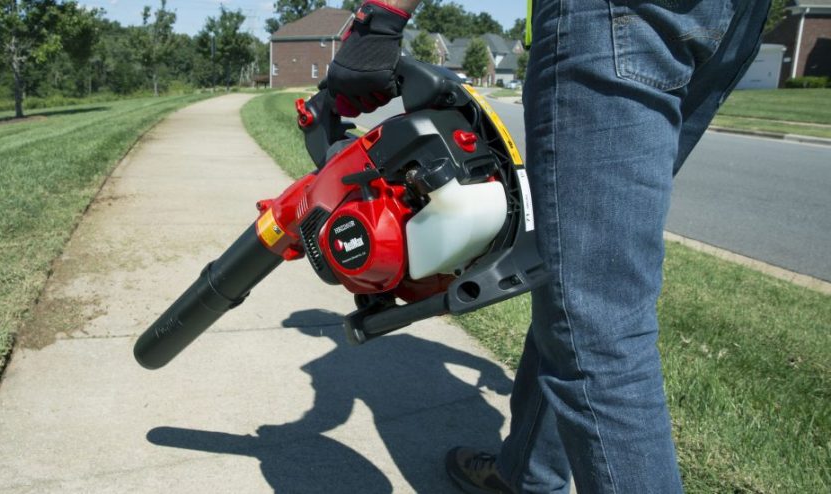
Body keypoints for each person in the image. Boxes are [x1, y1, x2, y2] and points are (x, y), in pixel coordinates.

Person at [325, 0, 772, 492]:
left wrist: (384, 15)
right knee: (573, 270)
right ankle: (528, 475)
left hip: (618, 16)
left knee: (595, 319)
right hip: (732, 18)